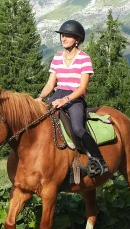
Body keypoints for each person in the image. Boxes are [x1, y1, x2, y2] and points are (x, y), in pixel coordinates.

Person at [35, 20, 109, 177]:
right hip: (57, 93)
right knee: (41, 120)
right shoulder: (56, 58)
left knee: (77, 128)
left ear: (77, 39)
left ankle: (98, 159)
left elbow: (82, 88)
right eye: (63, 35)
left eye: (68, 35)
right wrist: (40, 97)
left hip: (75, 98)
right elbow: (50, 83)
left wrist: (65, 100)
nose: (64, 38)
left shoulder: (84, 58)